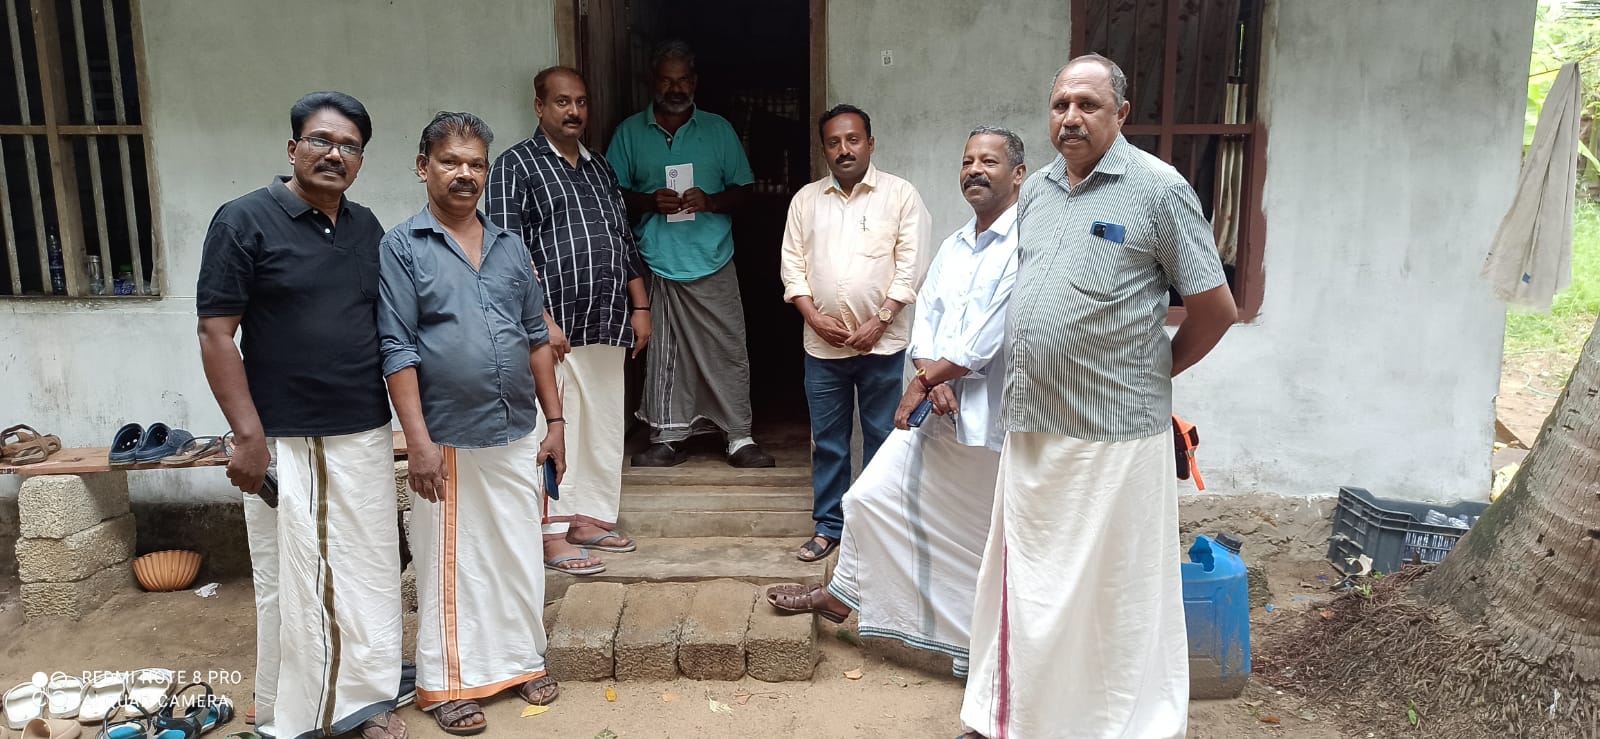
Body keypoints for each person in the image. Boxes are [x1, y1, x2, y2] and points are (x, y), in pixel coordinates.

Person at [957, 54, 1237, 739]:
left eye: (1088, 104)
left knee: (1113, 594)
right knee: (1024, 584)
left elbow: (1216, 309)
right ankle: (1012, 718)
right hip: (1034, 425)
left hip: (1117, 436)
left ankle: (1117, 725)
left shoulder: (1160, 190)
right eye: (1061, 105)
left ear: (1122, 113)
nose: (1071, 117)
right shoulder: (1037, 191)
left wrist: (1155, 373)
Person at [764, 126, 1026, 677]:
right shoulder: (957, 244)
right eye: (968, 160)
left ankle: (974, 648)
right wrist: (931, 373)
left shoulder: (1026, 244)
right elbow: (928, 313)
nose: (975, 170)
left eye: (989, 161)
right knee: (868, 498)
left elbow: (991, 333)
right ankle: (844, 595)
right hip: (939, 402)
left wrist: (926, 377)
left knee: (977, 539)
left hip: (989, 419)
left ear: (1018, 174)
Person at [196, 91, 405, 739]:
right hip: (287, 435)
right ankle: (304, 713)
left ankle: (362, 700)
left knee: (366, 570)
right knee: (292, 578)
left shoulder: (366, 227)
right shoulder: (244, 220)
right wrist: (248, 435)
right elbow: (215, 333)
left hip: (363, 428)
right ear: (293, 148)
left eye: (349, 147)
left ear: (361, 160)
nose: (334, 154)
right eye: (321, 140)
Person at [377, 111, 567, 735]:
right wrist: (418, 442)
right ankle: (448, 682)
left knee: (517, 550)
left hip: (516, 427)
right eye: (450, 161)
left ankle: (521, 662)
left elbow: (536, 338)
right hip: (447, 435)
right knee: (451, 562)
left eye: (476, 163)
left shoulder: (510, 246)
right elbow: (397, 348)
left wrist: (556, 421)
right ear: (423, 166)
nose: (465, 174)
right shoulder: (404, 247)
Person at [487, 67, 649, 574]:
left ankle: (588, 518)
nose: (573, 111)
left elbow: (623, 240)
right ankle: (551, 533)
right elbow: (504, 251)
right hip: (552, 328)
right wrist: (539, 319)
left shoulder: (600, 168)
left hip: (606, 319)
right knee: (554, 423)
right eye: (562, 102)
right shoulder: (515, 165)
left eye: (580, 101)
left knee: (601, 423)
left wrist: (640, 306)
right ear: (539, 107)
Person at [607, 39, 774, 469]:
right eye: (667, 80)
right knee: (667, 355)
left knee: (727, 349)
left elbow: (745, 189)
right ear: (653, 82)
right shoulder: (629, 133)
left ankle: (738, 436)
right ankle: (668, 436)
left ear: (695, 81)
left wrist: (711, 201)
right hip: (658, 261)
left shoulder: (718, 130)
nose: (676, 88)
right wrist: (649, 202)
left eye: (683, 79)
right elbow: (608, 194)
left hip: (712, 257)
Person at [779, 103, 932, 563]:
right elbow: (792, 266)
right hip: (821, 348)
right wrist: (812, 316)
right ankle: (829, 526)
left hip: (881, 345)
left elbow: (912, 265)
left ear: (870, 143)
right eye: (833, 142)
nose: (844, 149)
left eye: (852, 140)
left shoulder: (900, 195)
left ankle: (876, 529)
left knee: (883, 437)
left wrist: (881, 319)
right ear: (824, 149)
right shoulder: (806, 200)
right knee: (828, 442)